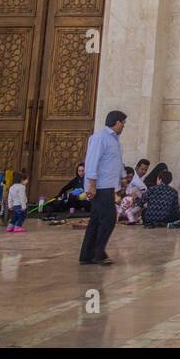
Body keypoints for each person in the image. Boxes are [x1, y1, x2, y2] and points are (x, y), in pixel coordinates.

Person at [79, 110, 126, 266]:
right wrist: (91, 184)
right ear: (118, 122)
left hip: (108, 185)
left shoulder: (115, 140)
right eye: (123, 123)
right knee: (109, 218)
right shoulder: (100, 138)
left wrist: (122, 179)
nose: (124, 126)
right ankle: (99, 253)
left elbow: (115, 163)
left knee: (96, 220)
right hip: (99, 186)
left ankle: (87, 255)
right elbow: (92, 161)